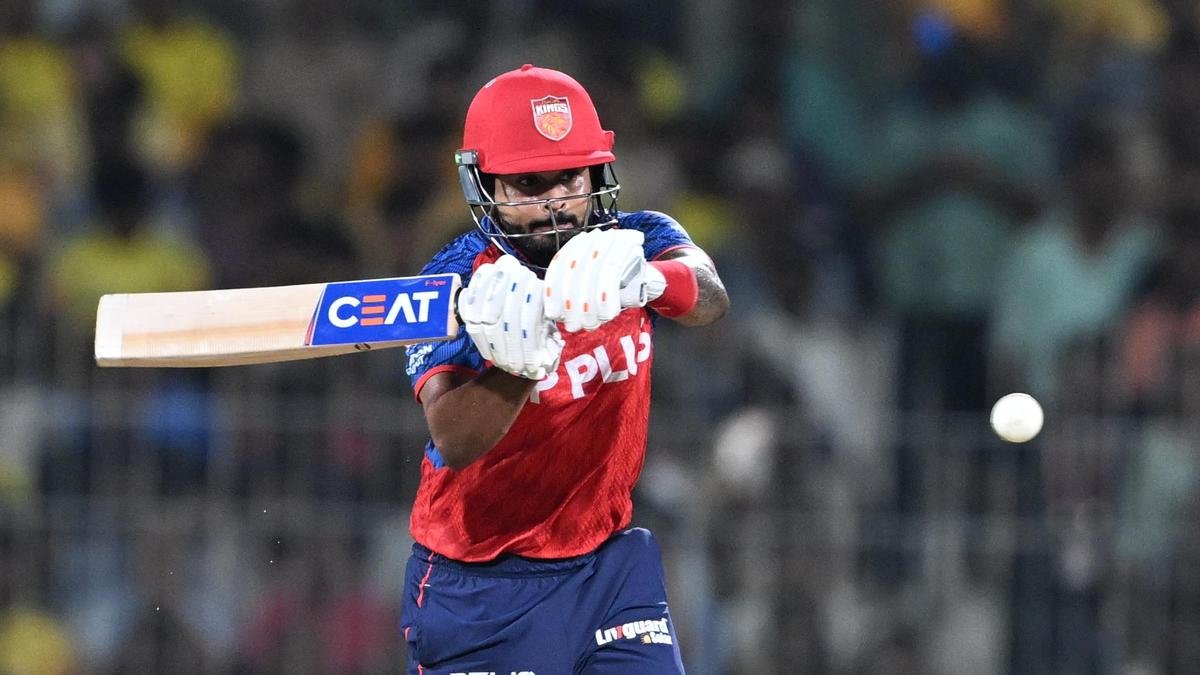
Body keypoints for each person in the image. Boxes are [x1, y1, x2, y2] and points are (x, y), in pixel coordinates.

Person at [399, 64, 729, 674]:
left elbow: (711, 297)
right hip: (479, 581)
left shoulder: (638, 241)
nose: (555, 200)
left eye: (570, 176)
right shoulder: (454, 280)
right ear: (486, 187)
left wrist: (650, 280)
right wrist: (520, 365)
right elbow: (452, 439)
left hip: (608, 566)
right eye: (529, 183)